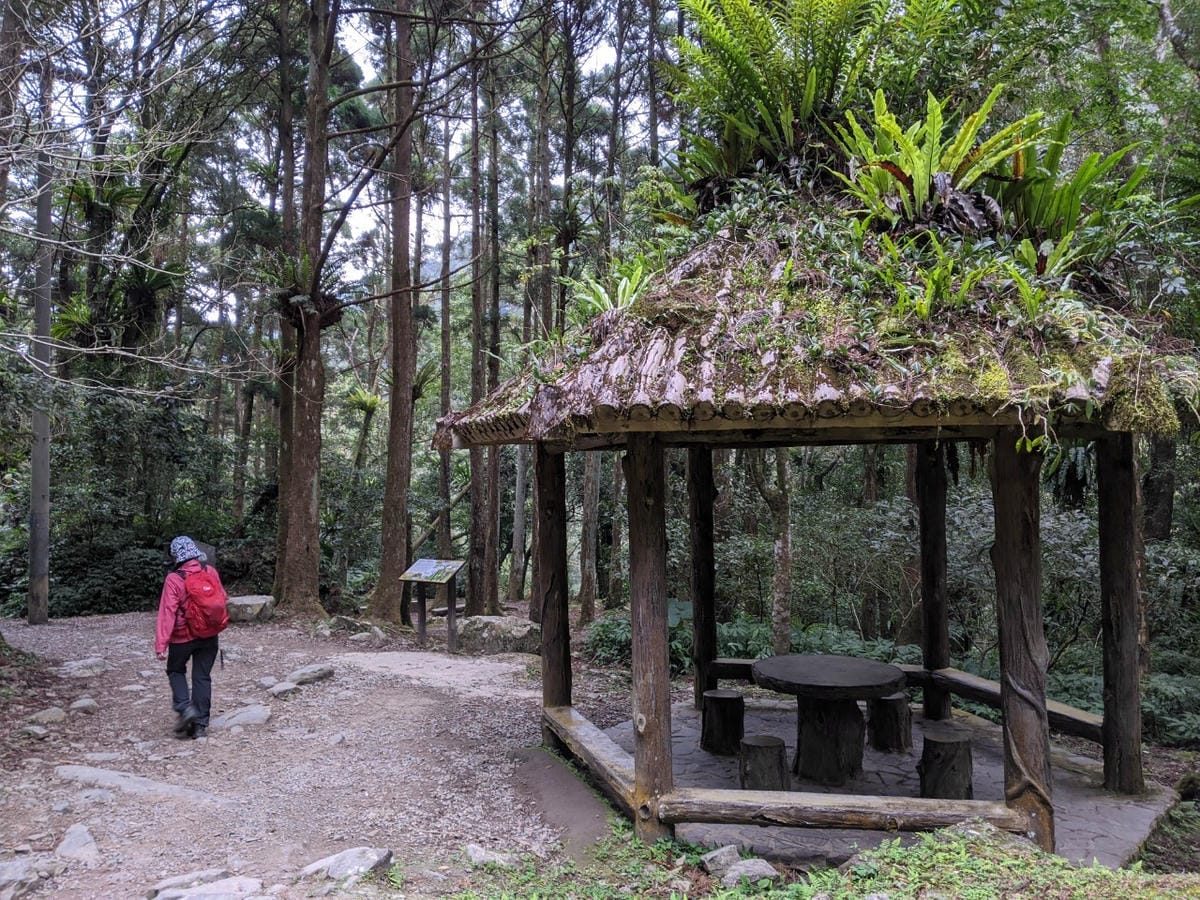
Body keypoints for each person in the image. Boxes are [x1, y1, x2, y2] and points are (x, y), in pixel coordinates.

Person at [155, 536, 224, 739]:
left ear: (176, 556)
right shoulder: (209, 571)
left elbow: (167, 612)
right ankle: (200, 726)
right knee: (202, 677)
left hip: (182, 637)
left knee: (175, 670)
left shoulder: (174, 578)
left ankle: (185, 708)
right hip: (209, 635)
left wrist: (161, 644)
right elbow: (221, 599)